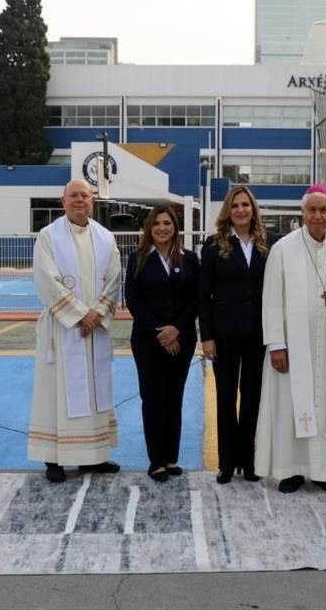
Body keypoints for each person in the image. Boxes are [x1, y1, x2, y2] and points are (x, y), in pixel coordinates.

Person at [255, 184, 326, 494]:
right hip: (293, 348)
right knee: (292, 406)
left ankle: (323, 471)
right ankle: (290, 470)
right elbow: (272, 300)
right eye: (312, 210)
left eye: (323, 209)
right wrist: (276, 344)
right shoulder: (283, 249)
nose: (318, 215)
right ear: (302, 213)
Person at [28, 179, 122, 483]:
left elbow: (114, 280)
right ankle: (53, 459)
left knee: (96, 392)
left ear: (93, 200)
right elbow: (45, 279)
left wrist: (95, 315)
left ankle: (92, 457)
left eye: (84, 195)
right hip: (62, 329)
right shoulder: (48, 237)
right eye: (73, 196)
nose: (79, 200)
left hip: (94, 330)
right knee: (55, 394)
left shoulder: (106, 238)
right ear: (62, 201)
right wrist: (81, 315)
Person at [200, 185, 269, 484]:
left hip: (258, 335)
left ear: (253, 209)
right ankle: (227, 463)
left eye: (246, 205)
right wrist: (207, 336)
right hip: (224, 335)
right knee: (226, 399)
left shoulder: (268, 245)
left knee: (252, 398)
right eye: (235, 205)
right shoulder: (214, 245)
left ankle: (249, 461)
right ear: (228, 211)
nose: (241, 210)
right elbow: (204, 295)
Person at [126, 205, 199, 482]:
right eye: (156, 223)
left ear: (175, 227)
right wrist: (161, 333)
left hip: (182, 341)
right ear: (149, 227)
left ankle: (170, 458)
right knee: (153, 398)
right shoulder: (139, 258)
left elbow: (196, 299)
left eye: (167, 222)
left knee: (173, 398)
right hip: (148, 341)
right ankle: (156, 460)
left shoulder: (189, 259)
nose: (162, 228)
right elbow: (133, 300)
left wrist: (177, 329)